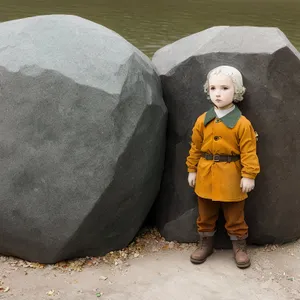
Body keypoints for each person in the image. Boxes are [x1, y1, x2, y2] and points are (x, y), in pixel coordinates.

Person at [186, 65, 260, 268]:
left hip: (231, 176)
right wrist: (192, 169)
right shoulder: (203, 120)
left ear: (236, 91)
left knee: (235, 215)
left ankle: (239, 247)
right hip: (205, 174)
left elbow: (249, 151)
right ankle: (205, 243)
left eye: (225, 88)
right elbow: (195, 147)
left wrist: (249, 175)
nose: (217, 93)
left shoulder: (242, 124)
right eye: (213, 88)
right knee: (205, 214)